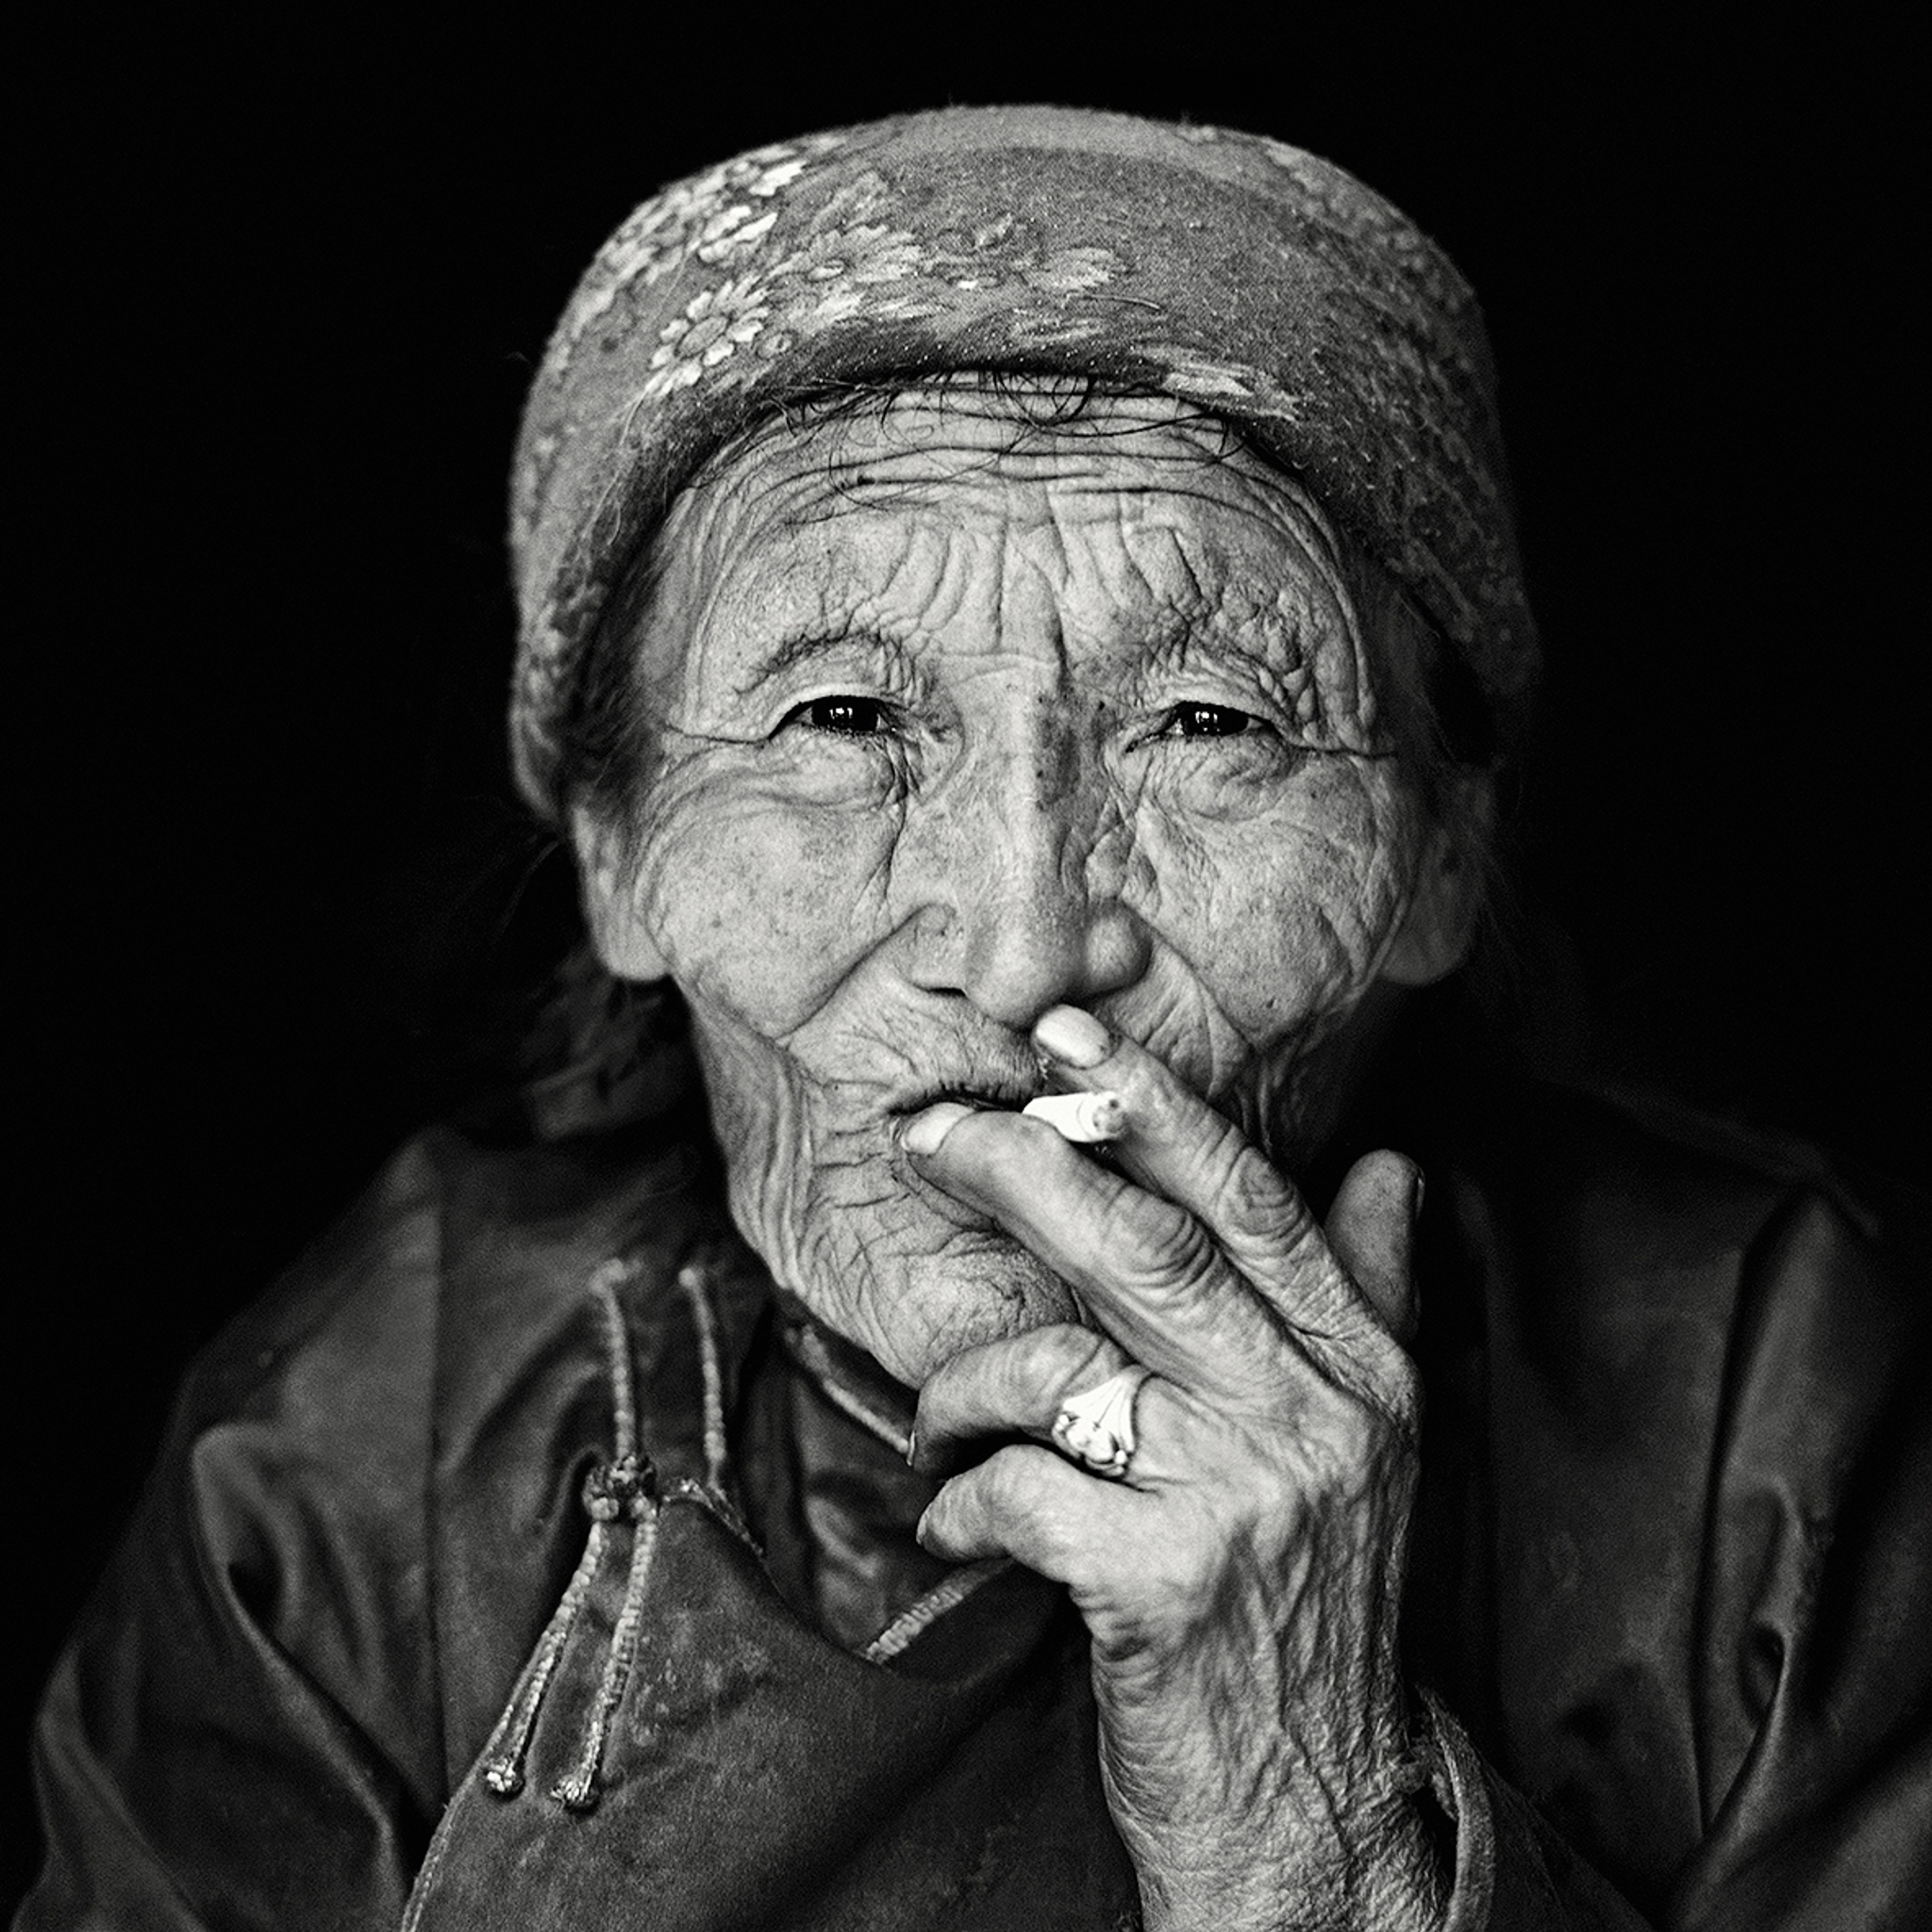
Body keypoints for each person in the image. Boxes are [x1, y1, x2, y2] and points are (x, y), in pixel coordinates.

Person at [19, 105, 1927, 1931]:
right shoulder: (351, 1462)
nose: (1024, 951)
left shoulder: (1760, 1408)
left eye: (1209, 724)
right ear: (620, 858)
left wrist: (1317, 1832)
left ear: (1435, 851)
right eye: (842, 723)